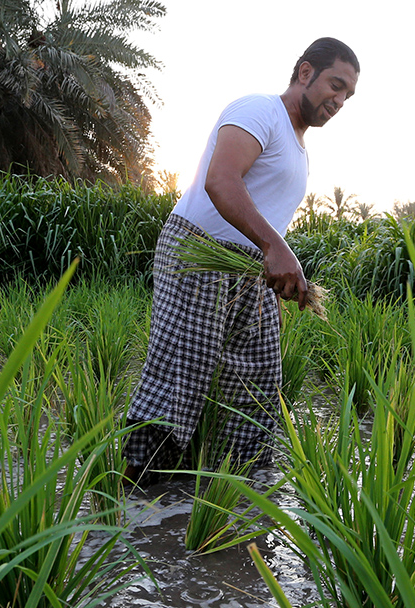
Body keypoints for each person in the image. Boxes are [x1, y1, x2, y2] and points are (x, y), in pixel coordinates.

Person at [124, 37, 359, 483]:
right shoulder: (260, 111)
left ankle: (230, 497)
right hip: (198, 254)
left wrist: (270, 279)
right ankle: (134, 501)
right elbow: (221, 180)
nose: (341, 99)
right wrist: (275, 248)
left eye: (348, 94)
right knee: (183, 376)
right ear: (305, 72)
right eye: (336, 84)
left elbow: (264, 216)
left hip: (245, 273)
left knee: (256, 380)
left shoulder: (300, 148)